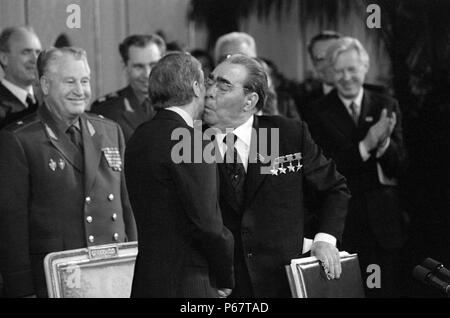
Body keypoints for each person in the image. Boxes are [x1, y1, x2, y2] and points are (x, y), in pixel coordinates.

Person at [202, 54, 350, 298]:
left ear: (249, 101)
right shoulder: (191, 140)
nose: (209, 91)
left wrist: (325, 240)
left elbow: (335, 189)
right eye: (210, 81)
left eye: (223, 85)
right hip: (221, 287)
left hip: (282, 283)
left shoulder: (287, 134)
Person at [0, 47, 137, 298]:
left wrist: (136, 268)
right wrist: (22, 290)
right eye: (69, 81)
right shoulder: (19, 139)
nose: (80, 90)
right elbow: (12, 226)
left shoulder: (109, 130)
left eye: (84, 81)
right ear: (45, 84)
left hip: (114, 275)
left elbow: (127, 207)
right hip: (54, 282)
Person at [125, 52, 234, 298]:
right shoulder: (193, 141)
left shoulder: (138, 136)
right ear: (196, 87)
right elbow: (207, 223)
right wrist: (225, 274)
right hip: (191, 284)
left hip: (147, 281)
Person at [306, 37, 408, 297]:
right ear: (330, 73)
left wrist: (384, 145)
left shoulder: (386, 104)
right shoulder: (317, 113)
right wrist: (367, 143)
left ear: (365, 68)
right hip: (344, 226)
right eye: (339, 71)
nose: (346, 77)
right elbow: (326, 171)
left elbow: (401, 166)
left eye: (352, 69)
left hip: (385, 226)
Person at [90, 34, 166, 142]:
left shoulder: (182, 105)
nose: (147, 74)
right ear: (125, 67)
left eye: (153, 65)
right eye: (138, 66)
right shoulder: (105, 110)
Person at [214, 32, 300, 121]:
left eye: (241, 57)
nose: (234, 63)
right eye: (227, 57)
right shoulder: (205, 103)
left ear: (255, 61)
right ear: (216, 64)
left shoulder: (283, 103)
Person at [0, 26, 42, 129]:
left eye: (38, 52)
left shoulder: (47, 99)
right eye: (26, 52)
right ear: (4, 58)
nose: (35, 60)